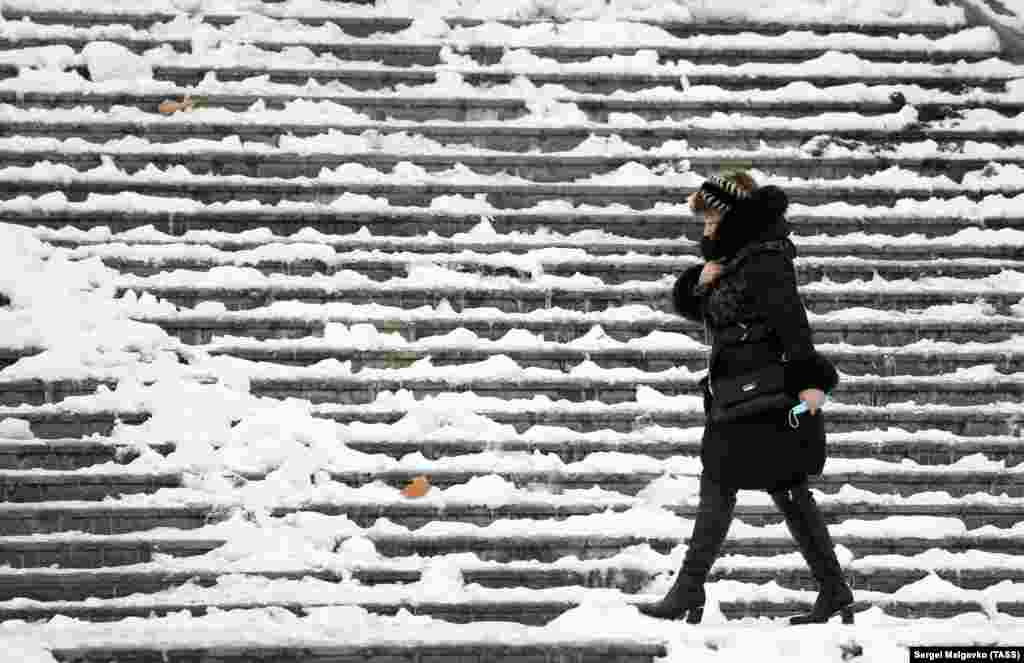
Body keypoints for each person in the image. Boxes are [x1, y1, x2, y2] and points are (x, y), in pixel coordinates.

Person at [638, 172, 853, 626]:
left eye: (710, 215)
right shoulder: (740, 258)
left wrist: (808, 388)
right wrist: (702, 279)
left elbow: (793, 326)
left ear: (730, 214)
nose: (704, 227)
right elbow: (708, 310)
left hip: (760, 397)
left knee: (724, 485)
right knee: (786, 491)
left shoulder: (764, 259)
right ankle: (833, 589)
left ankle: (687, 593)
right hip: (743, 394)